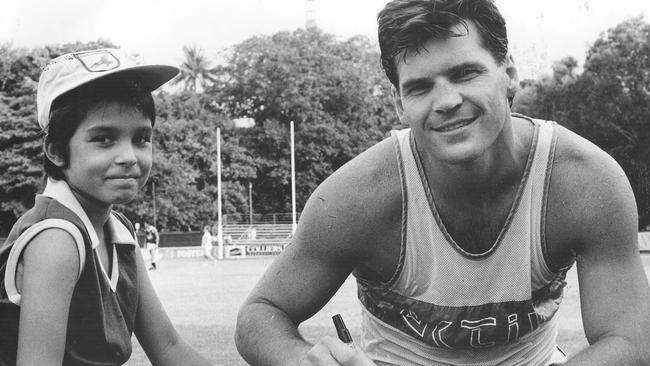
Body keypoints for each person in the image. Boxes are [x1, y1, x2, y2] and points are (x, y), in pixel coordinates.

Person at [234, 1, 650, 365]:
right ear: (399, 103)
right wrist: (299, 361)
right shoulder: (357, 197)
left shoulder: (583, 182)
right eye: (419, 87)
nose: (447, 101)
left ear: (509, 75)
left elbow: (630, 339)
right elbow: (261, 312)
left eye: (465, 73)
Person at [0, 48, 212, 365]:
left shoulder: (120, 230)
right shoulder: (56, 238)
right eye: (104, 139)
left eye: (141, 138)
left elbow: (168, 347)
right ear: (56, 151)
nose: (129, 156)